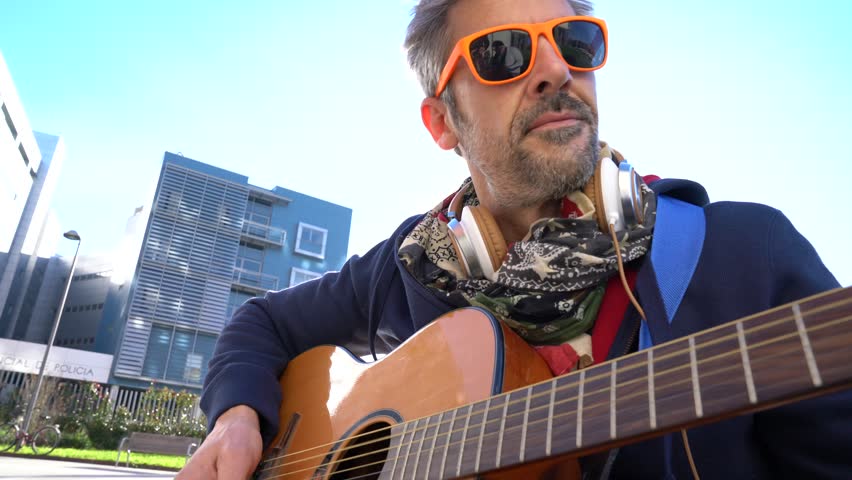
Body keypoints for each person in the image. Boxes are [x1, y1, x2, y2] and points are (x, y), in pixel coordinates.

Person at [177, 0, 851, 478]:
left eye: (576, 42)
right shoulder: (409, 268)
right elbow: (258, 323)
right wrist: (237, 417)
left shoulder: (745, 256)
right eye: (504, 54)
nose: (557, 70)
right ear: (442, 122)